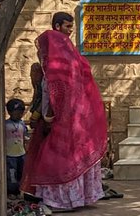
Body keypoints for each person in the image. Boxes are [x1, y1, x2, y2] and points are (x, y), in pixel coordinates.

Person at [21, 12, 108, 211]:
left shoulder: (66, 50)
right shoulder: (56, 44)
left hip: (71, 113)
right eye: (67, 27)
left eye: (71, 27)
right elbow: (52, 84)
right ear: (57, 26)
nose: (70, 31)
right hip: (65, 112)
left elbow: (63, 83)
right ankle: (66, 199)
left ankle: (70, 199)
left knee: (65, 153)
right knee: (61, 153)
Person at [5, 98, 29, 196]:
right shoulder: (5, 125)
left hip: (21, 153)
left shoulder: (22, 124)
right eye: (16, 112)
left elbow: (25, 138)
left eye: (21, 113)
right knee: (12, 174)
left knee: (21, 173)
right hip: (10, 155)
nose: (19, 115)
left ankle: (20, 190)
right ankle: (12, 191)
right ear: (10, 112)